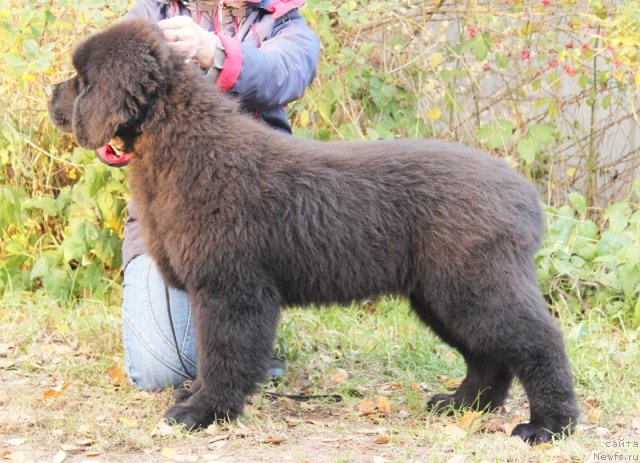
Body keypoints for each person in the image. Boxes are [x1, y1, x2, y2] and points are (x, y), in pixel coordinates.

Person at [98, 0, 320, 391]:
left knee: (222, 343)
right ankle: (242, 343)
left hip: (252, 222)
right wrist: (111, 135)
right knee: (161, 371)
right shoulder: (152, 13)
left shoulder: (284, 23)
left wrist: (212, 51)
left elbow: (284, 73)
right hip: (167, 224)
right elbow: (107, 91)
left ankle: (245, 337)